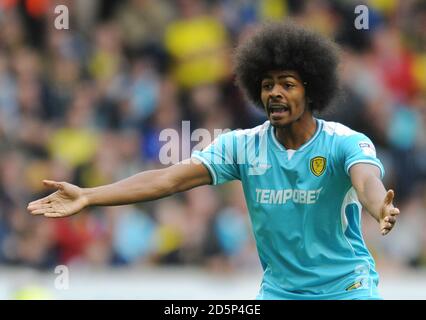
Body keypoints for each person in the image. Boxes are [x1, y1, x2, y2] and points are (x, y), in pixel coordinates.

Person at [27, 22, 400, 300]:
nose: (274, 92)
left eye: (287, 83)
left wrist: (379, 209)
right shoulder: (241, 146)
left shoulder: (344, 142)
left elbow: (367, 182)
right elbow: (167, 179)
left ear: (312, 89)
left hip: (348, 288)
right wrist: (90, 195)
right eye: (268, 84)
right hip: (280, 292)